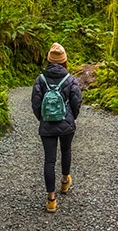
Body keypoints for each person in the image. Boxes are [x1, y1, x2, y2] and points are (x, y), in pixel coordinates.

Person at [31, 42, 82, 213]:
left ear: (49, 60)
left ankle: (51, 200)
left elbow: (35, 103)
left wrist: (42, 119)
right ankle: (65, 182)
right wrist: (71, 118)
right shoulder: (71, 79)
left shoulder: (41, 79)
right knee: (66, 151)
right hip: (66, 124)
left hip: (47, 125)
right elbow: (76, 102)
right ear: (64, 60)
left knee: (49, 160)